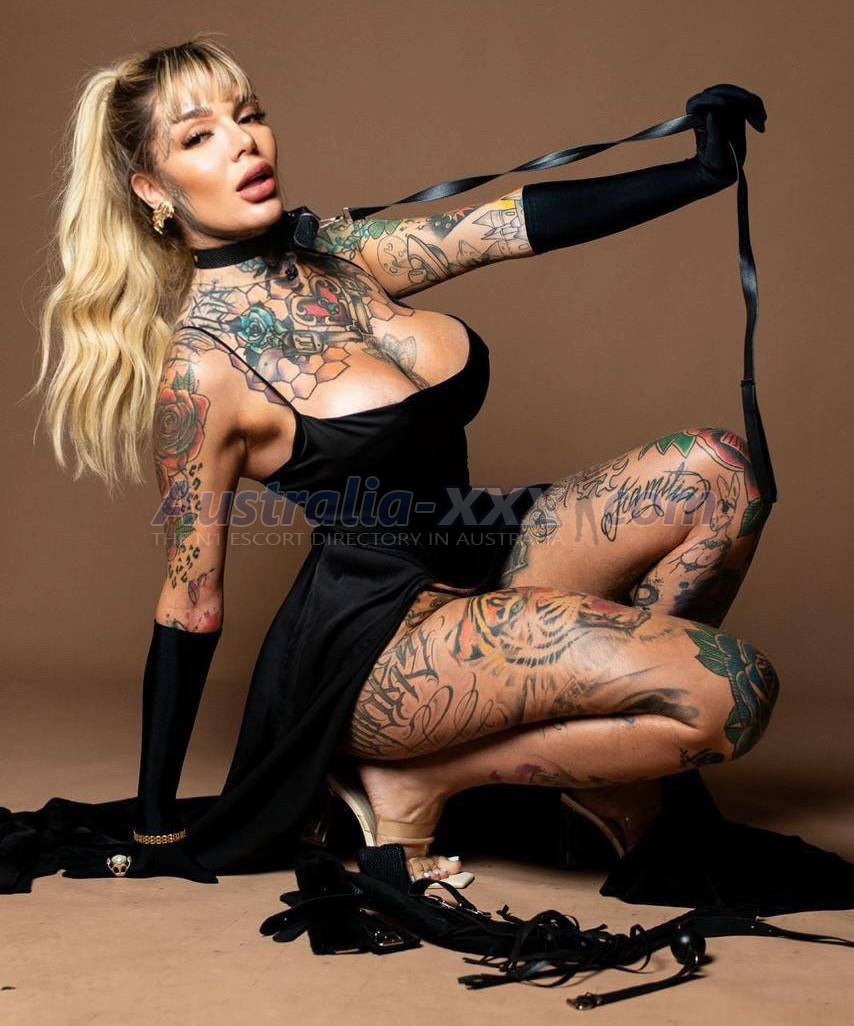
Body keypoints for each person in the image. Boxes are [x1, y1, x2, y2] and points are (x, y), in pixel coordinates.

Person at [3, 36, 778, 894]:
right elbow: (190, 602)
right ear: (153, 189)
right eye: (198, 135)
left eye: (249, 115)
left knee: (721, 472)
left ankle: (610, 763)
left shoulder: (342, 254)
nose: (244, 142)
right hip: (380, 644)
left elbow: (503, 224)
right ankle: (424, 778)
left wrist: (699, 172)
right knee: (730, 690)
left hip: (483, 556)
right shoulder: (202, 373)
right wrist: (154, 819)